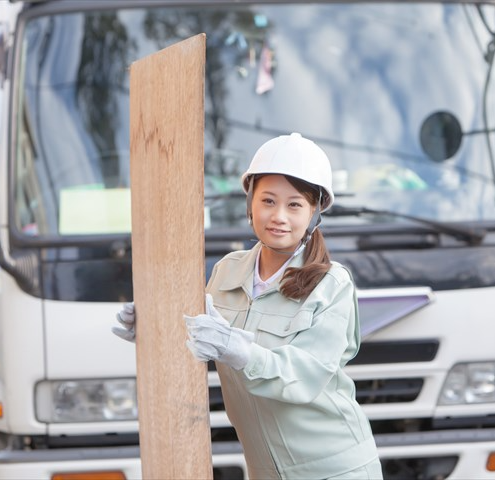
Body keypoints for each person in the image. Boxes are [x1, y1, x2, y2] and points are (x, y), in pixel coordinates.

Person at [113, 133, 382, 479]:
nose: (279, 216)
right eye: (268, 200)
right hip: (264, 471)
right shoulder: (228, 270)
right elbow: (197, 337)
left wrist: (240, 352)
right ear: (250, 203)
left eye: (295, 204)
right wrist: (151, 327)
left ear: (315, 213)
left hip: (336, 469)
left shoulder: (331, 285)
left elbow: (304, 376)